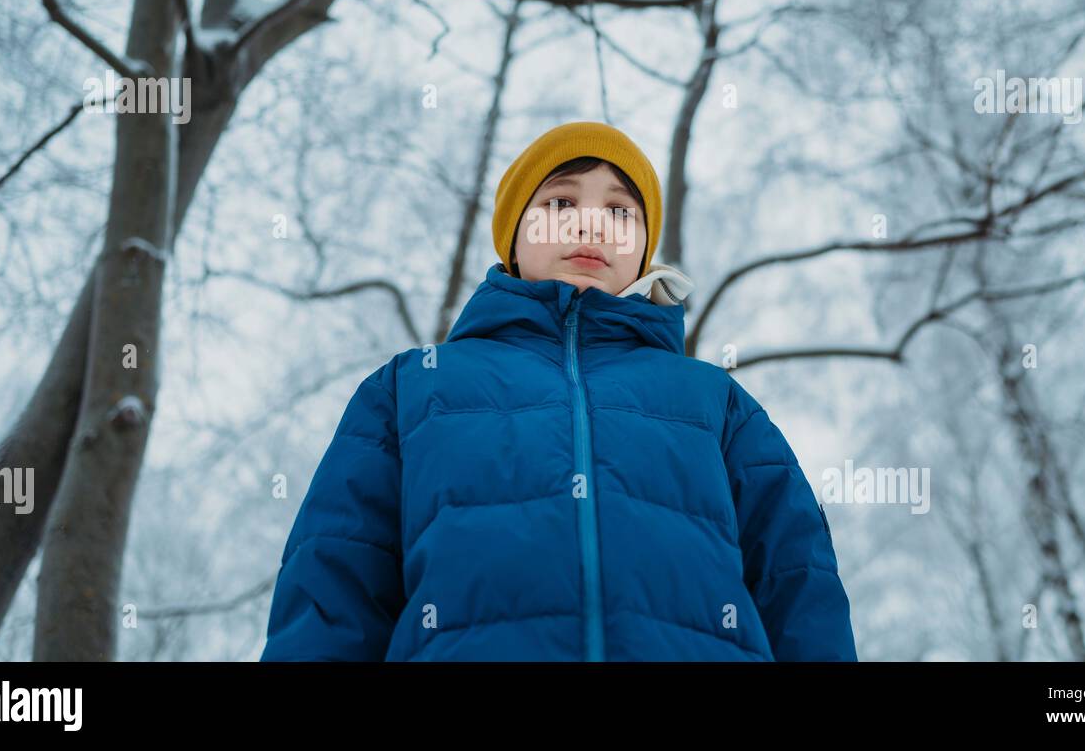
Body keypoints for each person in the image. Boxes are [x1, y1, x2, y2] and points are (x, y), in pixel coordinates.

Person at [260, 121, 857, 661]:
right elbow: (332, 582)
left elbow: (799, 586)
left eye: (621, 211)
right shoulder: (415, 387)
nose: (591, 222)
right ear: (513, 240)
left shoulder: (716, 404)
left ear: (644, 251)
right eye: (561, 201)